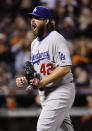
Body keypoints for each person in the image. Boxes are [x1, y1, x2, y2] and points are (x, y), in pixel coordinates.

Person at [16, 6, 75, 131]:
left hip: (60, 90)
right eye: (32, 17)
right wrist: (26, 80)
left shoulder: (56, 38)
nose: (33, 20)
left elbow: (65, 67)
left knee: (43, 128)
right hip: (46, 94)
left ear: (46, 21)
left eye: (37, 18)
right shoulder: (34, 44)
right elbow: (37, 73)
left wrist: (42, 82)